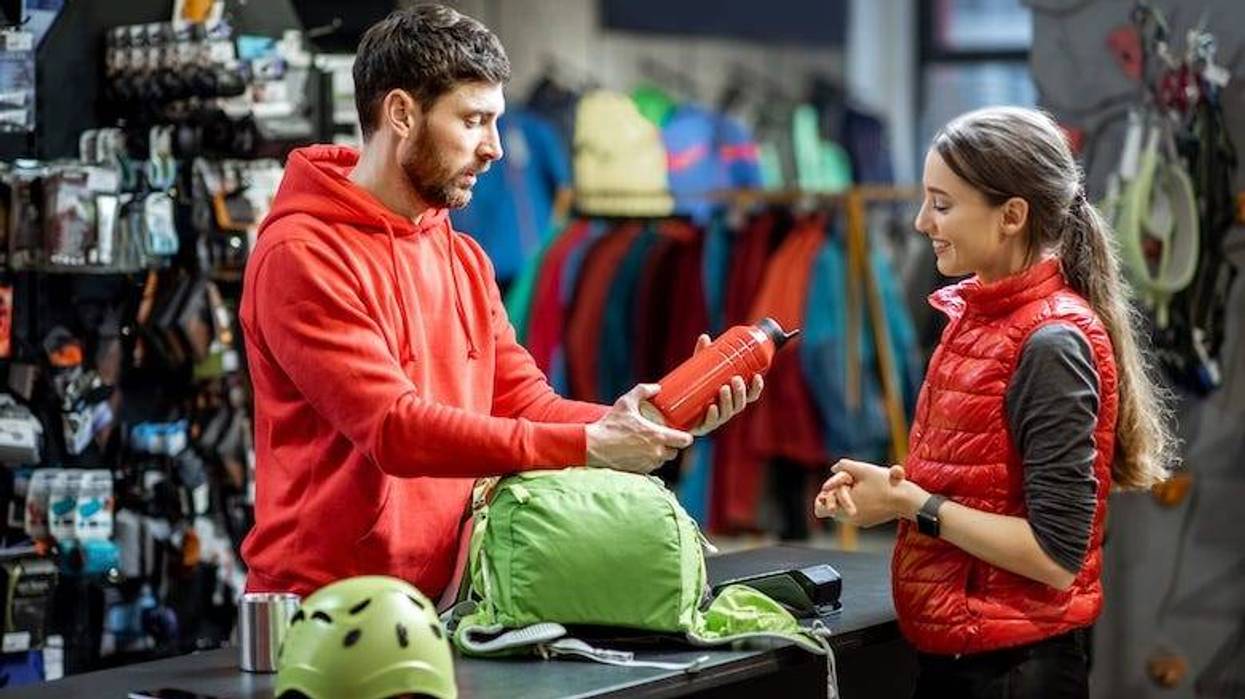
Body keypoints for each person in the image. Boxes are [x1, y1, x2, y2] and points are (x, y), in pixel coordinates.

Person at [239, 4, 762, 600]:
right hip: (321, 604)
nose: (495, 148)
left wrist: (650, 422)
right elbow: (393, 428)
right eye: (473, 121)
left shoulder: (462, 258)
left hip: (446, 597)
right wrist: (592, 446)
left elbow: (526, 403)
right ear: (402, 113)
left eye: (495, 122)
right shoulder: (302, 254)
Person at [815, 106, 1175, 698]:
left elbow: (1054, 556)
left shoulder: (1052, 343)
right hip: (967, 660)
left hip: (1014, 672)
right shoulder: (977, 319)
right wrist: (891, 493)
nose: (921, 222)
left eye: (942, 205)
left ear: (1011, 215)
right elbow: (978, 485)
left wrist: (910, 502)